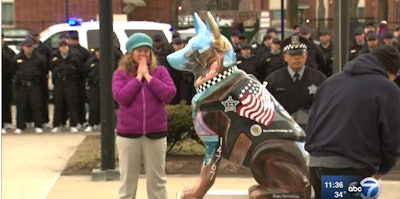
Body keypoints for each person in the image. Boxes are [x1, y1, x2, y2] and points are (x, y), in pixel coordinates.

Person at [305, 44, 400, 199]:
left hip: (316, 165)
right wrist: (382, 170)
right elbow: (392, 135)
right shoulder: (386, 88)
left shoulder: (330, 82)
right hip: (349, 167)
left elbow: (311, 122)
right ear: (389, 70)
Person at [112, 33, 176, 199]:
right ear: (130, 53)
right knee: (127, 183)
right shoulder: (120, 74)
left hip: (156, 133)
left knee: (157, 182)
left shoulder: (160, 72)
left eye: (146, 51)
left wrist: (148, 77)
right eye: (139, 50)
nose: (143, 54)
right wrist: (138, 78)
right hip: (128, 135)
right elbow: (121, 97)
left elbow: (169, 94)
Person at [265, 34, 327, 117]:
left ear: (306, 55)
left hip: (310, 127)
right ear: (285, 57)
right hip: (283, 127)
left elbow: (326, 105)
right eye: (292, 55)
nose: (297, 58)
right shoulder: (273, 80)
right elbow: (266, 107)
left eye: (300, 54)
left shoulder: (319, 78)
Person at [13, 38, 46, 134]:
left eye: (31, 47)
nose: (29, 49)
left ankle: (38, 125)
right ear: (23, 47)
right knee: (21, 106)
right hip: (22, 85)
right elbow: (13, 70)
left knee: (36, 106)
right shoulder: (17, 58)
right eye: (27, 47)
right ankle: (20, 126)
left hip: (34, 85)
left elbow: (43, 72)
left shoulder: (39, 58)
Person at [49, 41, 82, 133]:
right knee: (58, 103)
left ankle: (73, 124)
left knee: (72, 103)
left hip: (70, 81)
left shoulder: (74, 57)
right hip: (59, 82)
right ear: (59, 48)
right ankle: (56, 125)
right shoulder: (55, 57)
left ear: (68, 47)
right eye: (62, 46)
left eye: (65, 46)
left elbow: (79, 69)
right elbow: (50, 67)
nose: (64, 48)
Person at [82, 47, 101, 132]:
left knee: (104, 105)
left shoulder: (108, 60)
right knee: (93, 105)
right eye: (97, 51)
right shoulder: (91, 61)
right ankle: (92, 123)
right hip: (94, 85)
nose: (99, 53)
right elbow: (85, 72)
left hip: (105, 86)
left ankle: (102, 123)